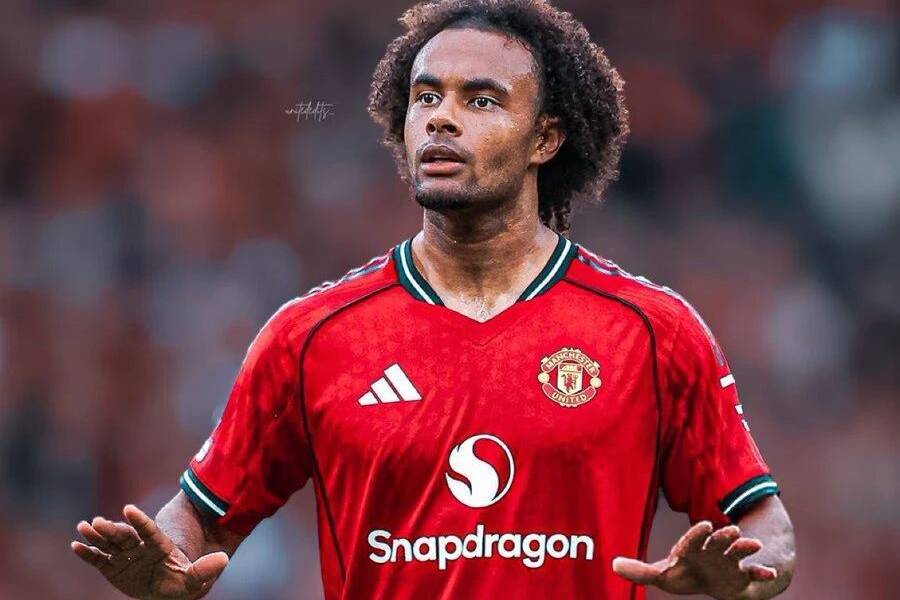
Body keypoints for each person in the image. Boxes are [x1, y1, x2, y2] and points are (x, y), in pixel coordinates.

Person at [71, 1, 795, 598]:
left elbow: (766, 525)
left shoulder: (651, 330)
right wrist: (165, 564)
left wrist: (752, 572)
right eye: (426, 97)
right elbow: (200, 520)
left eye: (480, 100)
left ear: (546, 137)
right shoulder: (311, 336)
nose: (442, 119)